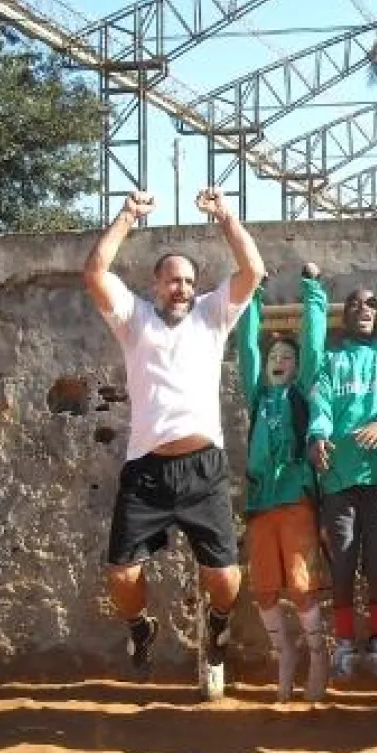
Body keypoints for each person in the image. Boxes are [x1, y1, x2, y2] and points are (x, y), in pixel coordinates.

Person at [81, 187, 265, 699]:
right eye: (172, 281)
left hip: (204, 470)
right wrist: (127, 216)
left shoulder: (212, 315)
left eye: (187, 281)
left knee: (225, 579)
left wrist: (226, 216)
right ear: (155, 285)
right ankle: (141, 628)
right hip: (147, 471)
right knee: (122, 576)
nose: (181, 289)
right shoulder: (133, 319)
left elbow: (252, 270)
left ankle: (217, 626)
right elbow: (95, 273)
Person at [305, 279, 377, 683]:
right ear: (344, 315)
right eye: (354, 304)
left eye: (371, 304)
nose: (363, 309)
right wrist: (318, 435)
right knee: (343, 562)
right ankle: (345, 645)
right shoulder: (331, 359)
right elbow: (320, 401)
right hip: (339, 477)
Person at [236, 264, 329, 702]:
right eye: (274, 356)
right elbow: (246, 349)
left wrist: (312, 289)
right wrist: (252, 295)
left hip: (294, 498)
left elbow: (314, 344)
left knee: (301, 584)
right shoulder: (258, 396)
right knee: (264, 588)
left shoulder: (301, 392)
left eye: (287, 358)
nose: (279, 361)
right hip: (261, 501)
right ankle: (285, 653)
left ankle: (318, 654)